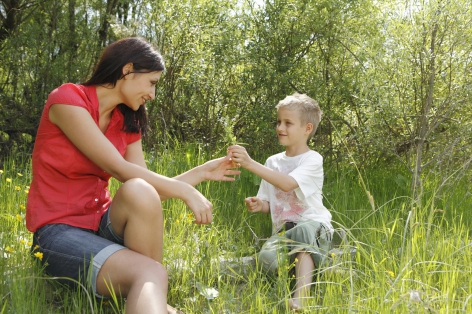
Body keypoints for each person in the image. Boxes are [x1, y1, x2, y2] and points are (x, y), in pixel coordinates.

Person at [26, 37, 240, 314]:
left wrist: (199, 174)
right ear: (127, 70)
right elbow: (117, 167)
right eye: (152, 82)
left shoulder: (127, 121)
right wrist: (186, 192)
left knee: (139, 190)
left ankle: (149, 295)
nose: (152, 94)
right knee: (150, 272)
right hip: (58, 235)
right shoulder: (67, 100)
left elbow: (148, 191)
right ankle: (154, 296)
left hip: (102, 227)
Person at [227, 93, 333, 310]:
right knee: (266, 257)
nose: (280, 127)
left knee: (304, 232)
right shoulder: (272, 162)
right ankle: (292, 278)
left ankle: (300, 299)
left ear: (307, 129)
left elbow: (287, 184)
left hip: (314, 226)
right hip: (284, 232)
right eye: (278, 122)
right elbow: (271, 202)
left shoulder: (312, 159)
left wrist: (249, 163)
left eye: (288, 123)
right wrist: (259, 205)